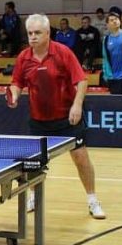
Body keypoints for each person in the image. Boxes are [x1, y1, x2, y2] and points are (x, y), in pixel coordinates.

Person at [7, 14, 105, 220]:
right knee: (34, 162)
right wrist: (14, 94)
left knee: (81, 158)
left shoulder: (63, 52)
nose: (33, 37)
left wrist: (77, 105)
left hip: (67, 118)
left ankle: (92, 199)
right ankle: (33, 195)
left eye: (37, 33)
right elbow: (17, 83)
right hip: (38, 120)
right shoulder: (24, 57)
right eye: (30, 33)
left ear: (47, 33)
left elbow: (81, 81)